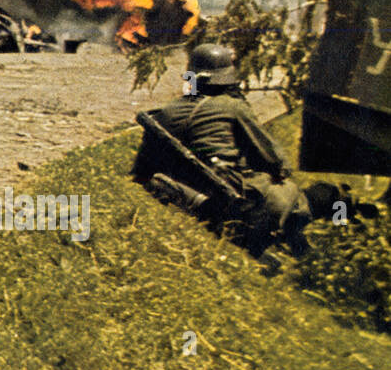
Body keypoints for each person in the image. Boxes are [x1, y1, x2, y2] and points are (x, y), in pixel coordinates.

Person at [134, 42, 313, 256]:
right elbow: (274, 160)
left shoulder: (168, 110)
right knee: (291, 195)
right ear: (226, 77)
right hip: (224, 189)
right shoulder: (232, 106)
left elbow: (141, 167)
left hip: (186, 180)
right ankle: (283, 248)